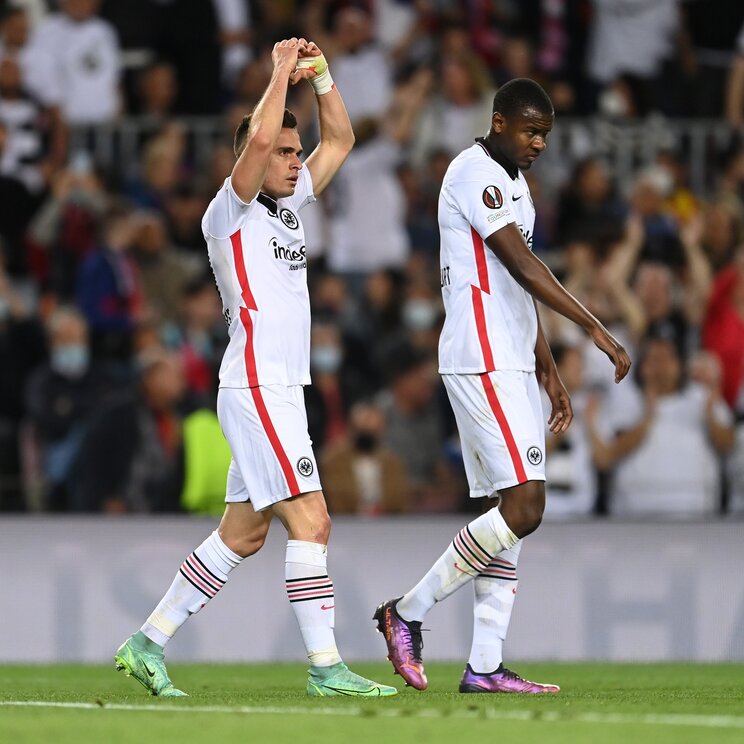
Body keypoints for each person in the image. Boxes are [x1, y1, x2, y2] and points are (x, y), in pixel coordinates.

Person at [114, 37, 396, 699]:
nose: (296, 161)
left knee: (241, 535)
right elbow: (262, 135)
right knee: (313, 522)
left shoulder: (289, 209)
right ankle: (326, 668)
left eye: (298, 153)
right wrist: (278, 73)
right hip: (257, 385)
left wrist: (321, 76)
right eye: (285, 153)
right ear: (252, 156)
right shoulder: (228, 212)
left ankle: (146, 643)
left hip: (279, 389)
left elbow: (343, 139)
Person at [374, 78, 631, 694]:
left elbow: (517, 284)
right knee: (525, 507)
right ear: (499, 122)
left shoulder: (515, 183)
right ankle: (406, 612)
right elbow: (523, 264)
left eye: (545, 134)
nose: (539, 142)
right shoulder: (474, 173)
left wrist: (547, 365)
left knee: (509, 513)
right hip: (481, 355)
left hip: (511, 357)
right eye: (529, 130)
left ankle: (485, 666)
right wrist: (593, 325)